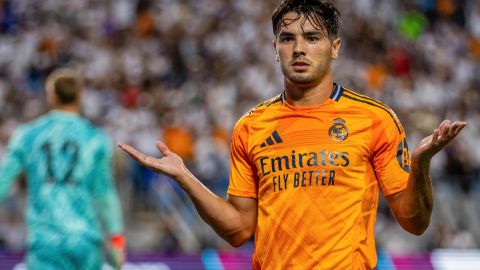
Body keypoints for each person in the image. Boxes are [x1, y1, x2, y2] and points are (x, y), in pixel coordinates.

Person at [118, 1, 467, 269]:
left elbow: (414, 222)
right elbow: (239, 229)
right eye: (288, 38)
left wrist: (420, 166)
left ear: (335, 47)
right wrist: (185, 177)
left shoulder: (374, 118)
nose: (298, 48)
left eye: (312, 37)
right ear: (275, 48)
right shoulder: (250, 126)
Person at [0, 68, 125, 269]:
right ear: (81, 96)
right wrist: (117, 241)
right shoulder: (96, 139)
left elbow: (3, 181)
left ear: (51, 96)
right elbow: (105, 194)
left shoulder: (27, 135)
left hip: (45, 240)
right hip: (85, 239)